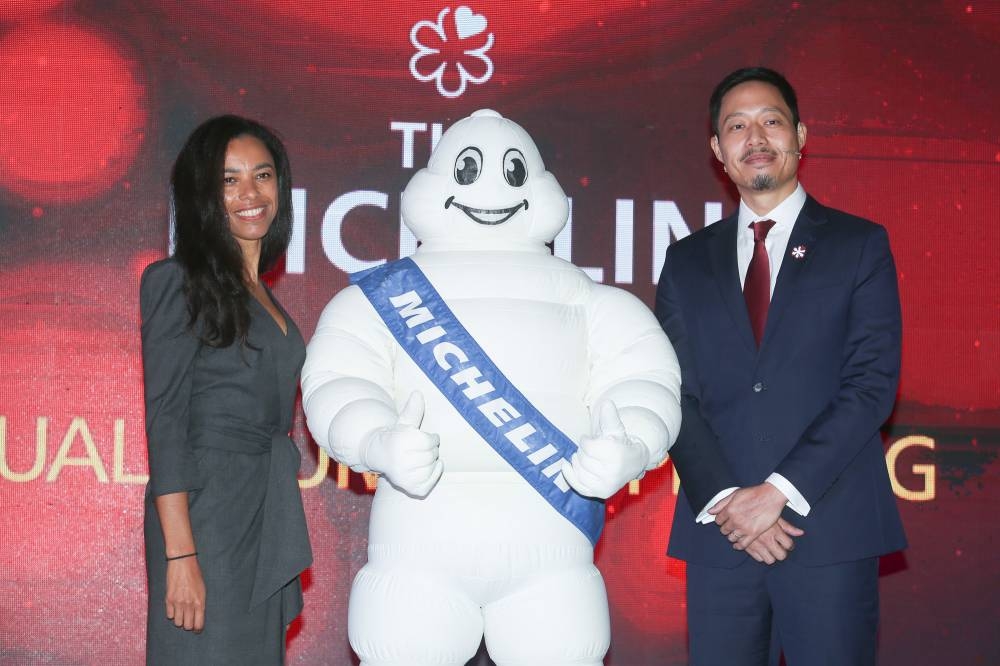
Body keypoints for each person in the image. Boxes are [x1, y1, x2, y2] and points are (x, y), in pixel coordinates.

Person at [301, 109, 681, 666]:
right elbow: (339, 380)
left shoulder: (592, 302)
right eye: (470, 170)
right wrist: (375, 437)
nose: (489, 190)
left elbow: (643, 379)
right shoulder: (380, 300)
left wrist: (632, 443)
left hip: (551, 550)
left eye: (510, 172)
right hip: (419, 544)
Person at [656, 67, 906, 666]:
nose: (756, 137)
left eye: (771, 121)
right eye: (737, 126)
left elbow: (870, 385)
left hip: (829, 530)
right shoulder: (686, 262)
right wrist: (728, 500)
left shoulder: (859, 245)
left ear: (800, 134)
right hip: (722, 535)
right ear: (718, 150)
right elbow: (674, 394)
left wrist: (777, 493)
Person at [141, 115, 312, 665]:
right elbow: (165, 423)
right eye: (228, 180)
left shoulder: (266, 297)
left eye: (262, 176)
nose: (249, 193)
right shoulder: (176, 280)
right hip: (205, 516)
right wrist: (181, 555)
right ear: (203, 195)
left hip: (263, 508)